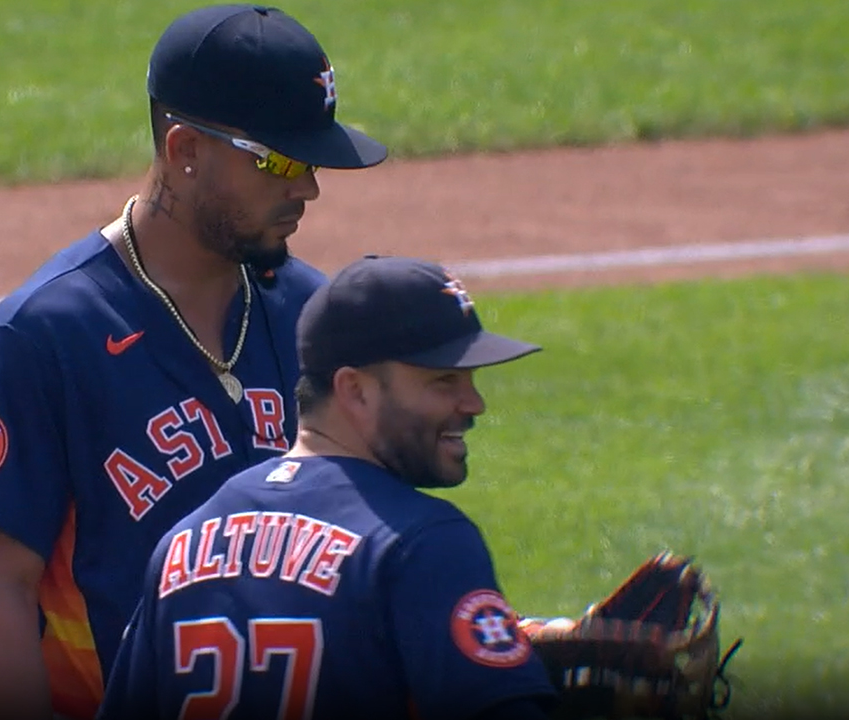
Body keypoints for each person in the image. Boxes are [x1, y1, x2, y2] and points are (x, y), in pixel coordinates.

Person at [0, 5, 388, 720]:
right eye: (279, 160)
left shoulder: (315, 317)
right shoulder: (40, 341)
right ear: (184, 150)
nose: (307, 188)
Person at [98, 255, 559, 720]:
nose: (473, 403)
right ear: (355, 390)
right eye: (444, 381)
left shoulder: (184, 543)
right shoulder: (420, 543)